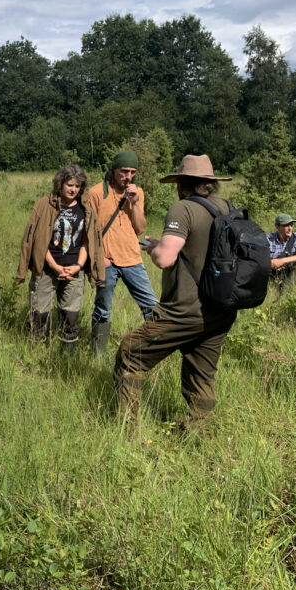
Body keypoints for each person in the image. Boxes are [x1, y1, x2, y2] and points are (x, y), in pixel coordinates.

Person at [114, 154, 238, 428]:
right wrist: (167, 245)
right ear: (209, 183)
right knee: (201, 373)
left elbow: (165, 259)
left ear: (182, 183)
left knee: (130, 353)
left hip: (184, 310)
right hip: (220, 310)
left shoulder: (182, 208)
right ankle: (196, 432)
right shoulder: (226, 207)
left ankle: (125, 428)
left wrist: (155, 248)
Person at [15, 164, 104, 349]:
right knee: (39, 315)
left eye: (78, 186)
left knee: (70, 317)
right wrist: (55, 267)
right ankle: (35, 354)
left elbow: (88, 242)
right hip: (46, 269)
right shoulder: (45, 205)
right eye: (70, 184)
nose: (73, 189)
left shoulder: (85, 207)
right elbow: (38, 241)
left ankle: (67, 358)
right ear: (60, 183)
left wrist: (78, 266)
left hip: (74, 272)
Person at [87, 150, 158, 354]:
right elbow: (89, 231)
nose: (128, 177)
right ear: (114, 170)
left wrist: (134, 203)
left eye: (132, 172)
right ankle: (97, 353)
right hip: (107, 260)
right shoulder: (96, 193)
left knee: (151, 306)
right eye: (124, 171)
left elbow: (140, 228)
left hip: (132, 258)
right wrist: (100, 259)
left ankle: (153, 349)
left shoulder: (138, 192)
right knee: (103, 309)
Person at [267, 213, 296, 290]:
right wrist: (271, 263)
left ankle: (286, 291)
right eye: (286, 226)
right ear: (277, 227)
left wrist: (283, 261)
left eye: (291, 225)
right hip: (271, 271)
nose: (290, 228)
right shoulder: (268, 239)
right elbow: (255, 256)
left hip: (289, 271)